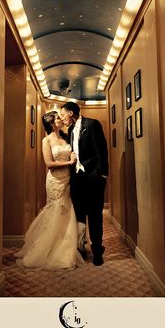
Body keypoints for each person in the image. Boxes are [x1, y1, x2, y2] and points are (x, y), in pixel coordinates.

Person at [14, 111, 84, 270]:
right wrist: (70, 162)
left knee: (66, 212)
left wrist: (74, 156)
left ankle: (64, 247)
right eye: (58, 118)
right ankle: (45, 249)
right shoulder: (46, 141)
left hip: (68, 179)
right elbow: (49, 163)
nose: (61, 119)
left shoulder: (66, 137)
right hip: (54, 180)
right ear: (52, 123)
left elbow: (73, 153)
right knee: (54, 212)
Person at [61, 102, 109, 266]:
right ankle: (81, 247)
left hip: (94, 178)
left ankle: (97, 251)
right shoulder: (70, 131)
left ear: (71, 113)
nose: (62, 118)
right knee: (79, 215)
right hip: (77, 179)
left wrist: (102, 175)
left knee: (95, 216)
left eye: (63, 115)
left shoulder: (92, 124)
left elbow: (101, 150)